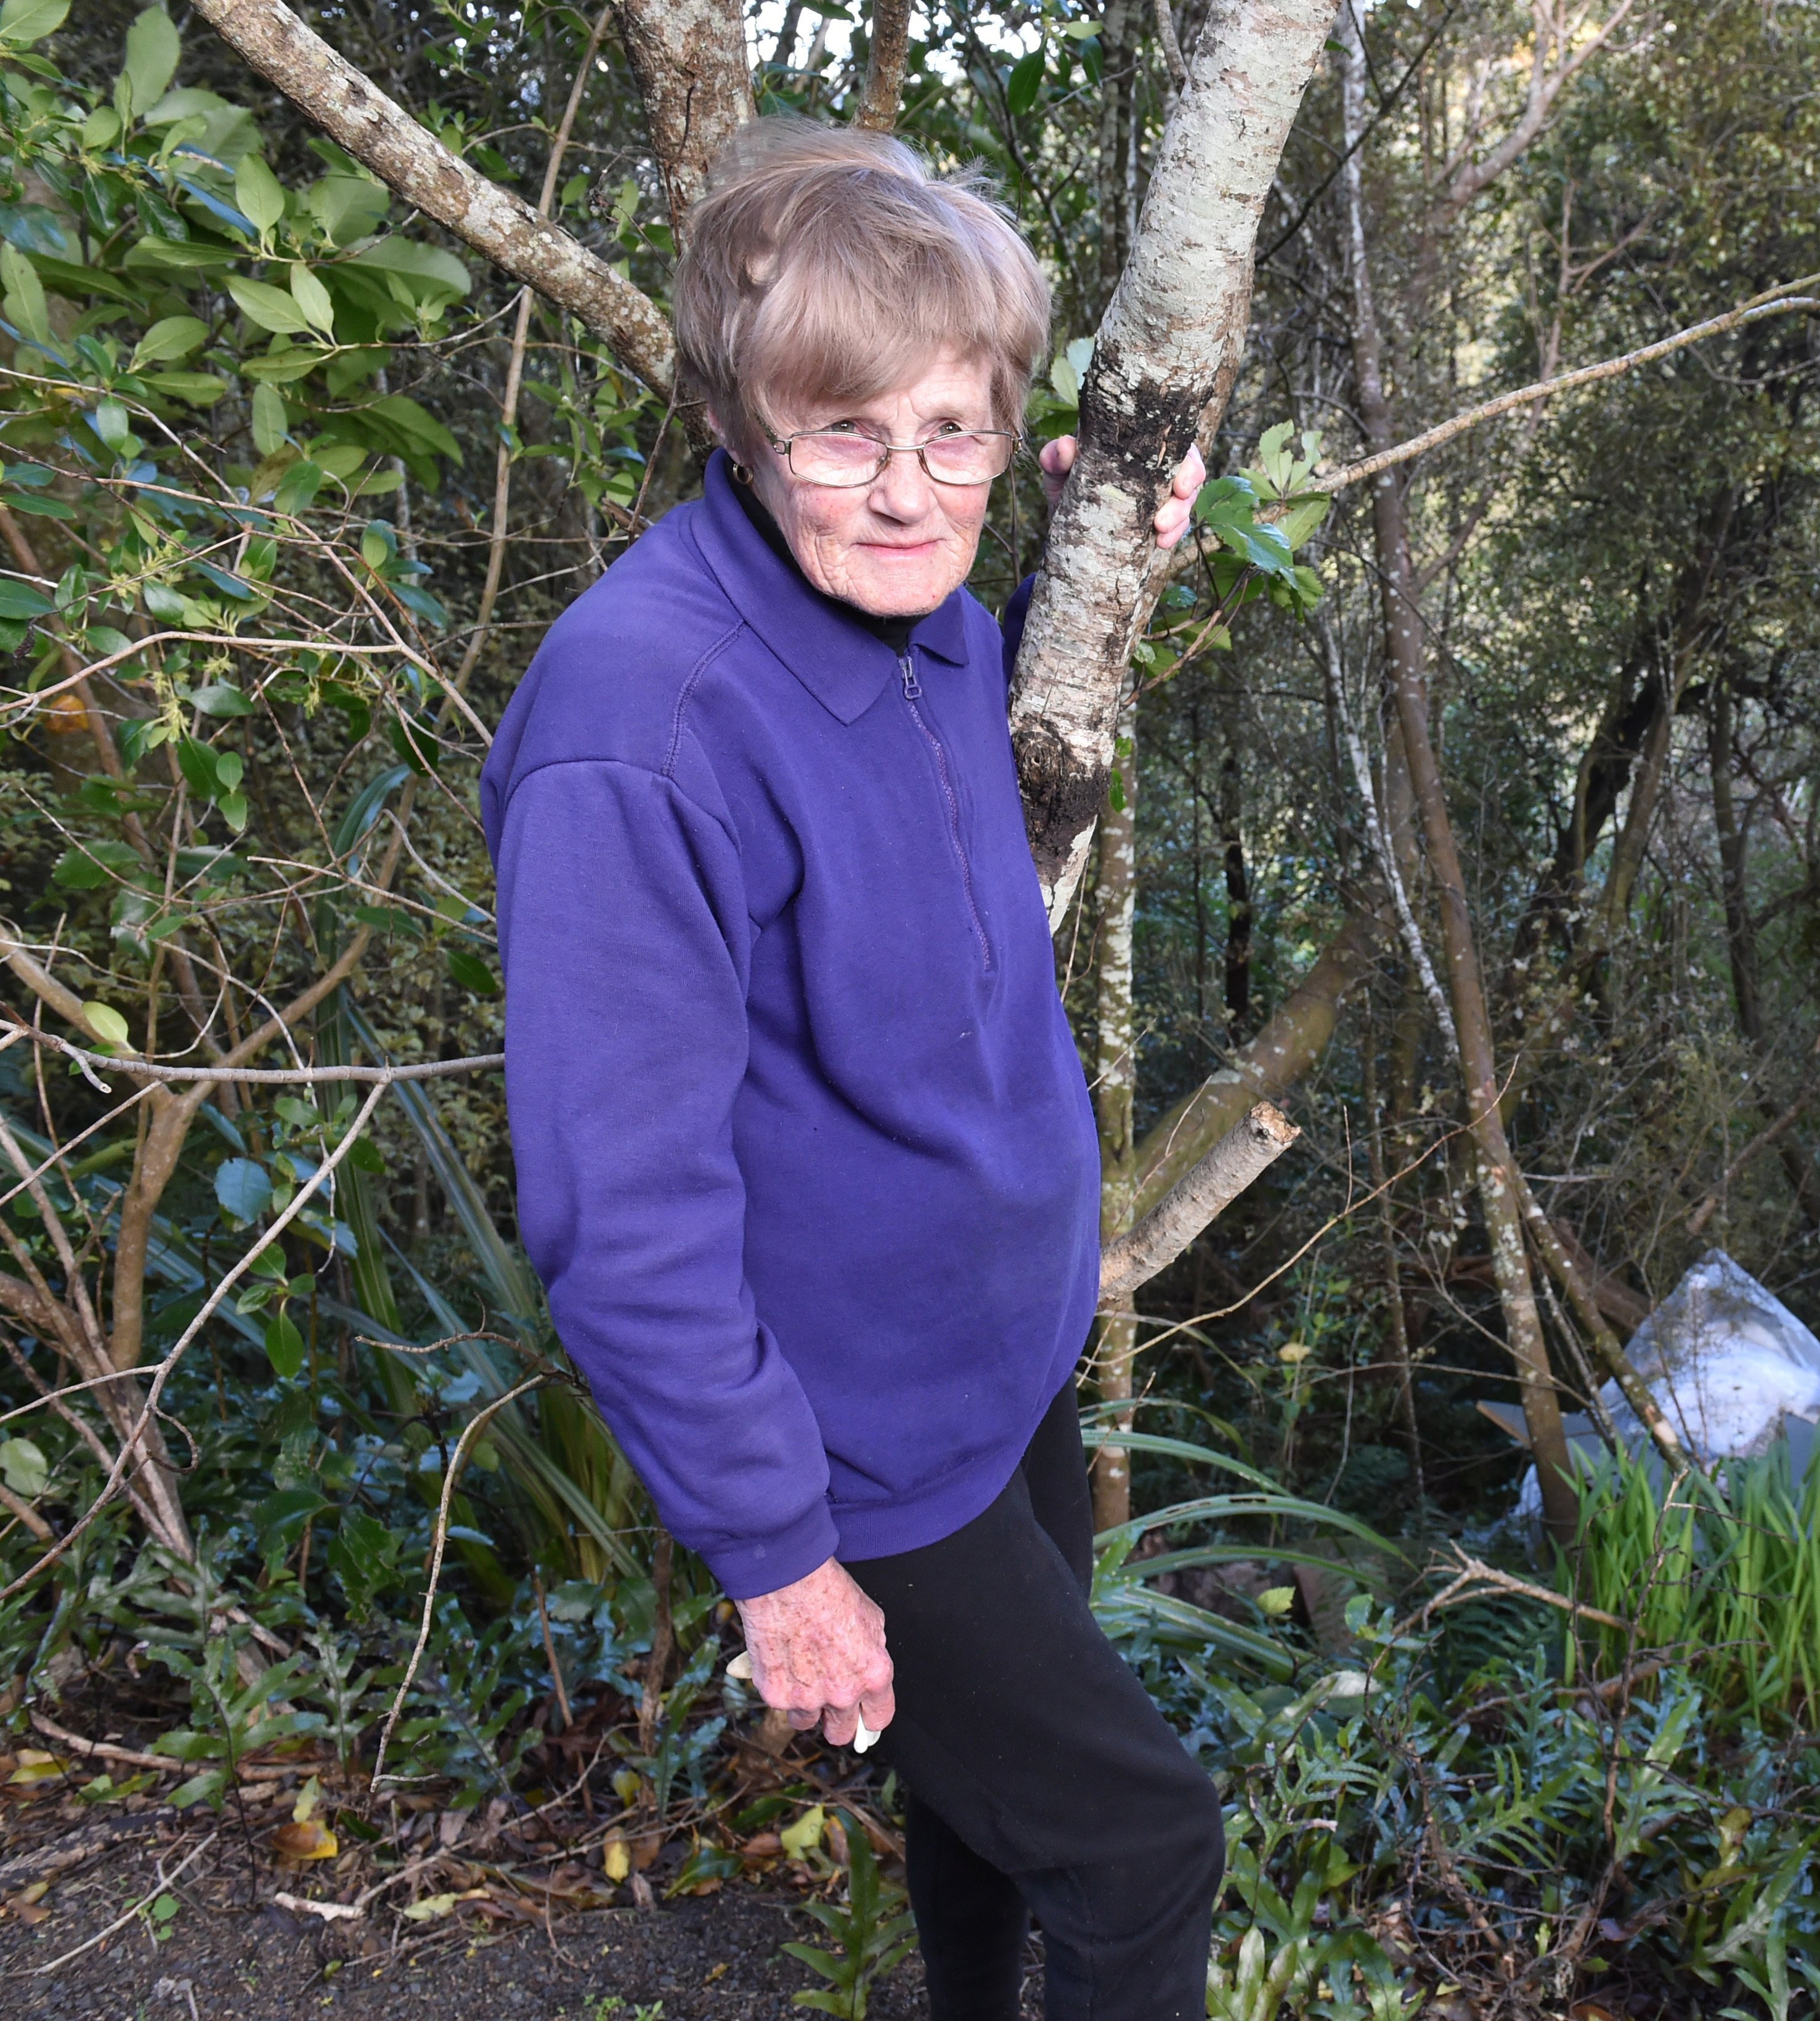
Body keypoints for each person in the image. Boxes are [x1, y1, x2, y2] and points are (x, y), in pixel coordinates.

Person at [479, 118, 1219, 2021]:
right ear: (743, 425)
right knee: (1143, 1850)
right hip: (863, 1443)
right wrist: (778, 1552)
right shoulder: (639, 722)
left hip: (1000, 1360)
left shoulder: (934, 624)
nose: (906, 494)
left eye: (952, 430)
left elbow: (961, 653)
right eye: (843, 434)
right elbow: (620, 1215)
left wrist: (1111, 520)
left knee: (991, 1819)